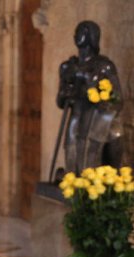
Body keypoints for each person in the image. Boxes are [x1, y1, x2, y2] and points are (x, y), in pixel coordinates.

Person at [57, 20, 123, 175]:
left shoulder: (104, 66)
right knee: (73, 166)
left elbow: (118, 99)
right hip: (76, 118)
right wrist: (66, 93)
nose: (77, 35)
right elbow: (60, 101)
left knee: (112, 136)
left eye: (82, 31)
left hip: (97, 119)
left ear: (92, 36)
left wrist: (89, 81)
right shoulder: (67, 66)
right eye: (78, 31)